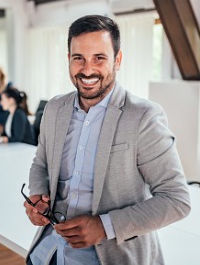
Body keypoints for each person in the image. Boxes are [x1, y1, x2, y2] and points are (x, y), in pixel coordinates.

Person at [23, 15, 190, 265]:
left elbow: (177, 200)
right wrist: (37, 195)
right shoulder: (55, 108)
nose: (87, 69)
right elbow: (41, 163)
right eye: (79, 58)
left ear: (118, 60)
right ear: (68, 59)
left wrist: (104, 226)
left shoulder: (143, 116)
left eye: (99, 58)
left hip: (113, 256)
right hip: (48, 252)